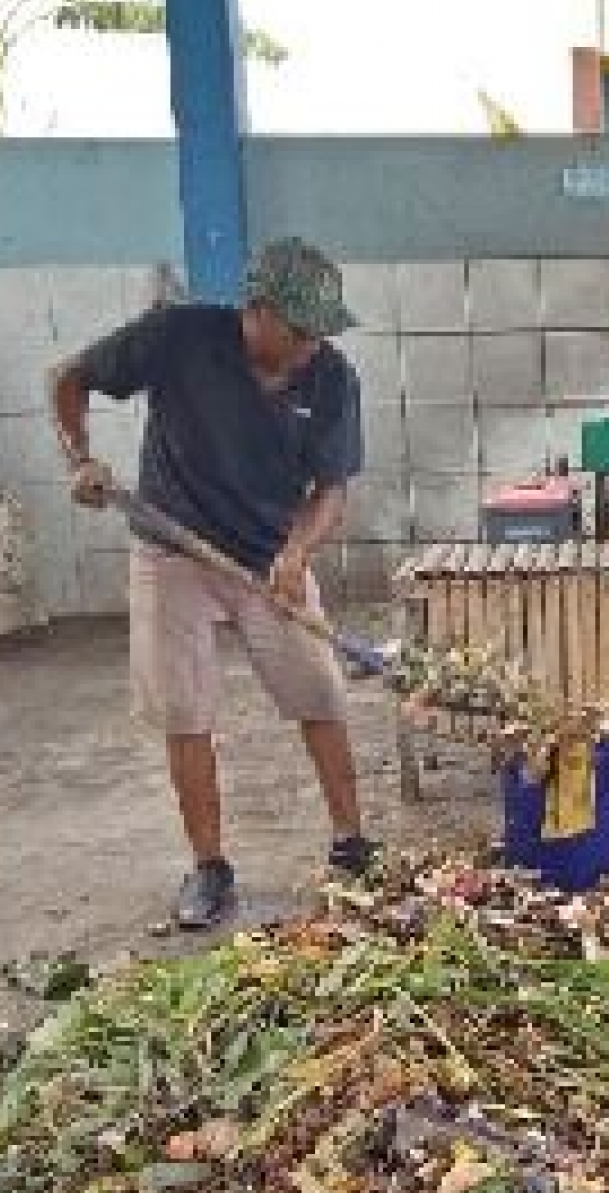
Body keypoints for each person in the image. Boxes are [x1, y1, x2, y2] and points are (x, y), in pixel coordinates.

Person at [49, 236, 379, 930]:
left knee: (319, 690)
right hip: (172, 546)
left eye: (322, 328)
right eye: (300, 328)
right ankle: (210, 867)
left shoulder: (331, 378)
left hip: (267, 557)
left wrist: (296, 552)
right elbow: (68, 376)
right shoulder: (179, 337)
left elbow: (331, 492)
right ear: (255, 312)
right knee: (184, 709)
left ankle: (352, 845)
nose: (313, 343)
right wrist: (79, 457)